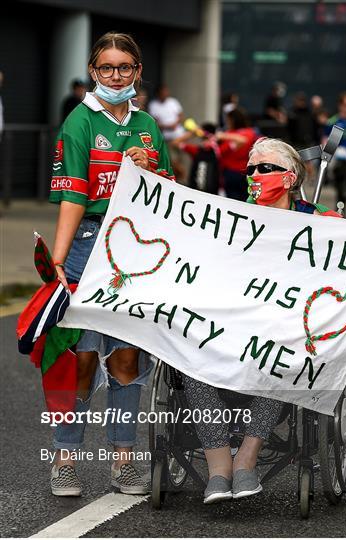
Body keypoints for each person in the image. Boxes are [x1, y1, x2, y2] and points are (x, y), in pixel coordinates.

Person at [182, 136, 346, 505]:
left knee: (285, 356)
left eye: (264, 168)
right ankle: (218, 467)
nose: (253, 175)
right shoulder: (231, 218)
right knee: (187, 358)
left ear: (289, 178)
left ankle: (247, 458)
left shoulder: (323, 221)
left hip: (285, 335)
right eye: (250, 169)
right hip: (230, 331)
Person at [48, 31, 174, 497]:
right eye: (106, 68)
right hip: (85, 247)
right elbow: (72, 196)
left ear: (138, 71)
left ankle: (123, 462)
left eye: (124, 67)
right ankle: (65, 460)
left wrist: (150, 167)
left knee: (126, 359)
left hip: (136, 252)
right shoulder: (78, 122)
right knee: (80, 360)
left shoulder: (148, 125)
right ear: (92, 72)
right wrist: (57, 260)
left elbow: (168, 192)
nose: (115, 75)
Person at [216, 108, 258, 201]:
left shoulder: (246, 132)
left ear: (232, 120)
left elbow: (220, 151)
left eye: (228, 120)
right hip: (236, 173)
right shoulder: (249, 132)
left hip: (238, 173)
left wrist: (223, 136)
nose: (227, 123)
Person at [148, 84, 187, 182]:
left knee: (180, 160)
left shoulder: (173, 102)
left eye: (166, 91)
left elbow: (180, 116)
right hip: (167, 139)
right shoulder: (153, 105)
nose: (165, 93)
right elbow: (154, 122)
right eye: (163, 92)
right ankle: (179, 180)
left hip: (179, 136)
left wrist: (175, 124)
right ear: (158, 93)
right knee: (172, 162)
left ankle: (181, 182)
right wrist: (168, 126)